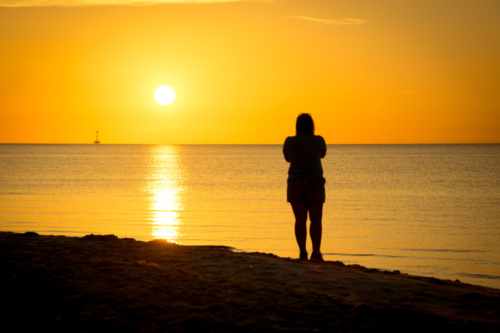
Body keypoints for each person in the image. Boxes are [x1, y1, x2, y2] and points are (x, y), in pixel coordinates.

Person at [283, 113, 327, 261]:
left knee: (300, 220)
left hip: (295, 182)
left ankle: (302, 252)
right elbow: (322, 155)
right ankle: (316, 252)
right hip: (314, 182)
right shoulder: (319, 140)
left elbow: (287, 159)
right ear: (312, 125)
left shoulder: (289, 141)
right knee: (316, 220)